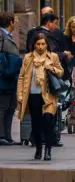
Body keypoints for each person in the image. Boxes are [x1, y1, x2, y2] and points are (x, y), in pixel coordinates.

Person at [16, 32, 63, 161]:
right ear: (34, 45)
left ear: (47, 44)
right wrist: (19, 94)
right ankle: (38, 148)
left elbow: (60, 72)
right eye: (38, 44)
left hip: (48, 96)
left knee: (47, 122)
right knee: (36, 125)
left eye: (43, 44)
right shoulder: (28, 58)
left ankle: (48, 150)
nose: (41, 46)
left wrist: (51, 68)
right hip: (33, 95)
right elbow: (21, 77)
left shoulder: (53, 57)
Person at [0, 12, 20, 145]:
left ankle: (8, 136)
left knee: (11, 107)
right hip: (3, 78)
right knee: (3, 107)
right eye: (15, 20)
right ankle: (1, 136)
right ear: (11, 22)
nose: (16, 23)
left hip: (11, 77)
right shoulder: (1, 36)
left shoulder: (8, 36)